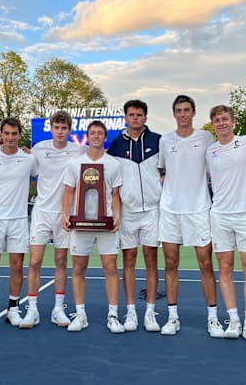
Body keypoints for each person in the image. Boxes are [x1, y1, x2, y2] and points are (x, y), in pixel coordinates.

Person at [157, 94, 220, 337]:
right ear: (174, 114)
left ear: (193, 113)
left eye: (187, 110)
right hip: (170, 210)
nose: (183, 114)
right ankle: (172, 317)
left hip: (198, 209)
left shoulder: (206, 137)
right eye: (179, 110)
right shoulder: (166, 140)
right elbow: (162, 169)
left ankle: (213, 318)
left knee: (206, 263)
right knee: (171, 263)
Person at [19, 110, 87, 329]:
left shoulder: (78, 150)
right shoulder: (39, 149)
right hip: (41, 211)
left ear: (69, 130)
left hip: (65, 214)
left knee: (60, 261)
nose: (60, 132)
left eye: (64, 128)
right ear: (51, 128)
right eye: (56, 127)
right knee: (35, 261)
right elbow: (26, 167)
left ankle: (58, 309)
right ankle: (32, 309)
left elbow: (98, 157)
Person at [204, 105, 246, 343]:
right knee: (225, 268)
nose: (221, 123)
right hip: (219, 214)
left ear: (233, 121)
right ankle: (234, 320)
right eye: (217, 120)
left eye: (225, 119)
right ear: (213, 124)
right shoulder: (210, 152)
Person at [61, 120, 123, 333]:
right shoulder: (74, 164)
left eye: (100, 133)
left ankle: (113, 315)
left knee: (111, 268)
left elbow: (115, 195)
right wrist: (65, 215)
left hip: (105, 224)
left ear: (105, 137)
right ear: (88, 136)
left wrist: (117, 217)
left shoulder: (114, 164)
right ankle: (80, 315)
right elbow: (69, 192)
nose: (96, 136)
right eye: (93, 133)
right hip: (81, 225)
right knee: (78, 269)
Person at [107, 99, 162, 332]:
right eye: (131, 114)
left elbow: (167, 171)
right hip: (128, 212)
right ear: (126, 117)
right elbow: (111, 182)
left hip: (152, 210)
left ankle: (150, 312)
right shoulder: (116, 145)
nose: (135, 118)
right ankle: (131, 312)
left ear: (145, 117)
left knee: (151, 259)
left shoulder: (159, 141)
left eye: (139, 114)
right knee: (128, 261)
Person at [0, 117, 36, 328]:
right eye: (6, 134)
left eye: (14, 134)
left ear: (20, 135)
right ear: (0, 135)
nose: (10, 138)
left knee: (17, 265)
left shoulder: (30, 159)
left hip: (19, 220)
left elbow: (45, 178)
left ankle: (13, 308)